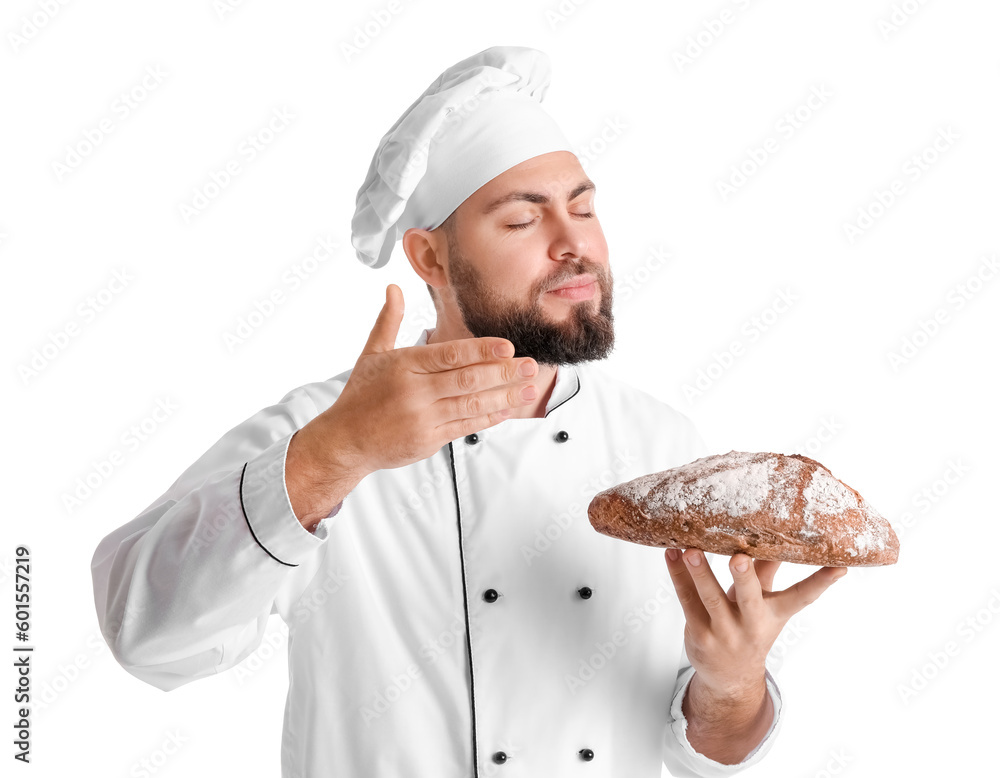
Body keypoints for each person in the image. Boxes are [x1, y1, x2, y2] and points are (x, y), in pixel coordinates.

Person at [91, 46, 846, 777]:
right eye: (523, 221)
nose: (573, 245)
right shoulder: (324, 429)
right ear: (428, 259)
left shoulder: (660, 443)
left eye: (583, 209)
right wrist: (337, 455)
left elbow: (707, 750)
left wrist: (733, 683)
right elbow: (146, 637)